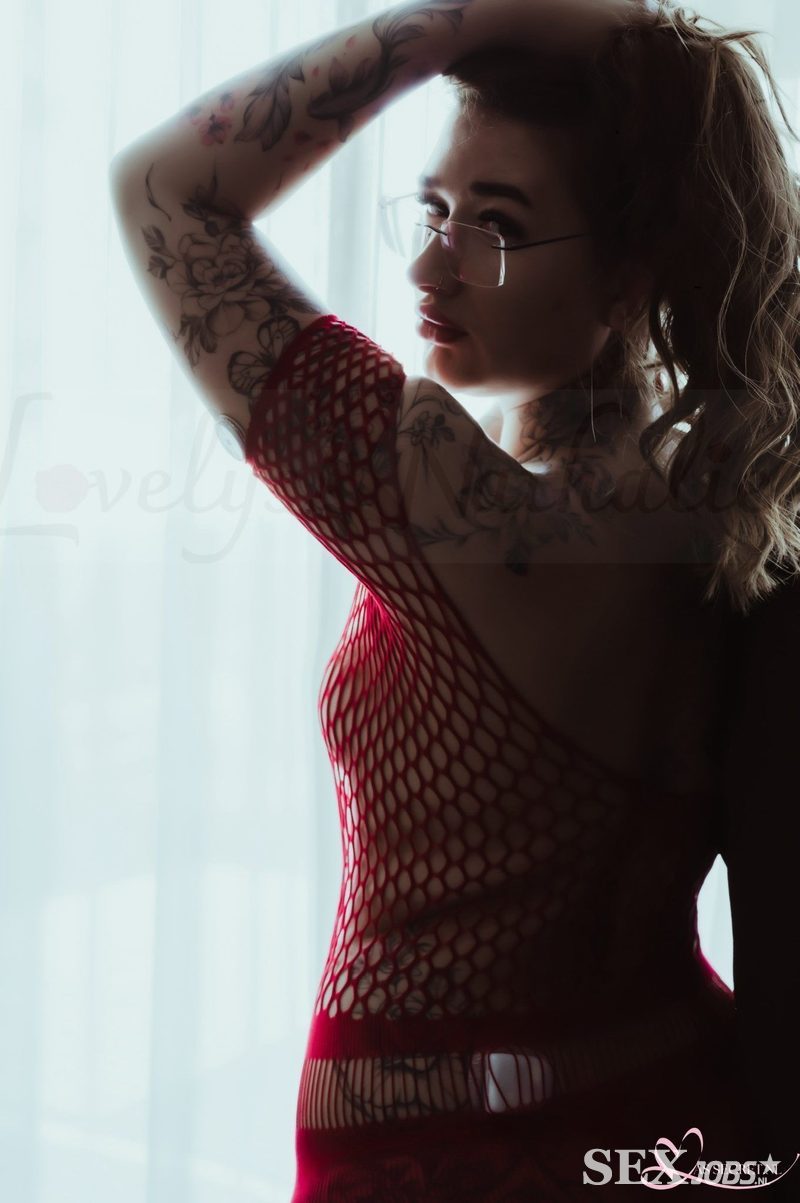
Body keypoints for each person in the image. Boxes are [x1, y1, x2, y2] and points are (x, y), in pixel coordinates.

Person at [108, 0, 800, 1196]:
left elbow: (168, 193)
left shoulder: (495, 530)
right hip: (667, 1121)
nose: (429, 265)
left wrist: (462, 20)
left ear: (627, 273)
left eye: (497, 228)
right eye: (432, 211)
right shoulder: (713, 514)